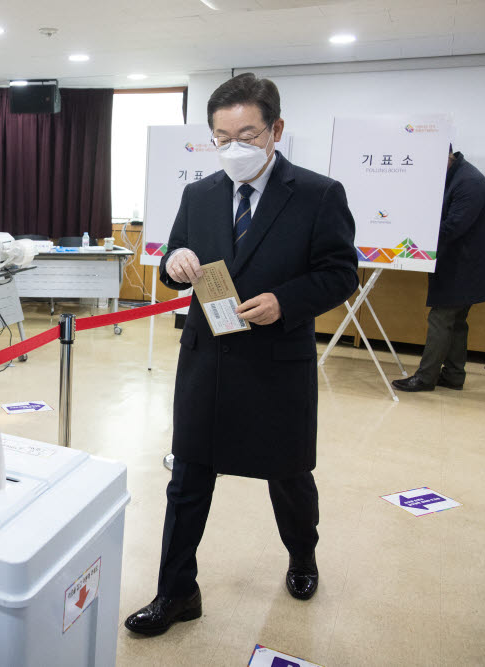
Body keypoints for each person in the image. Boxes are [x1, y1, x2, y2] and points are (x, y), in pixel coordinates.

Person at [124, 73, 359, 637]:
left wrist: (286, 301)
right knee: (187, 481)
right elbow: (174, 260)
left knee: (290, 478)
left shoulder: (318, 194)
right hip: (208, 360)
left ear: (276, 131)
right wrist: (175, 261)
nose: (234, 148)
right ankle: (176, 592)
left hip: (277, 364)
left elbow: (340, 272)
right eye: (221, 136)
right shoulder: (198, 194)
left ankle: (302, 556)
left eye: (248, 135)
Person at [392, 146, 485, 392]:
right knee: (456, 321)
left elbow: (453, 227)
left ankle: (426, 378)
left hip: (469, 266)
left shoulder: (469, 182)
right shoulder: (454, 176)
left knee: (441, 319)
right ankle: (453, 375)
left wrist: (410, 237)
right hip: (461, 263)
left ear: (446, 155)